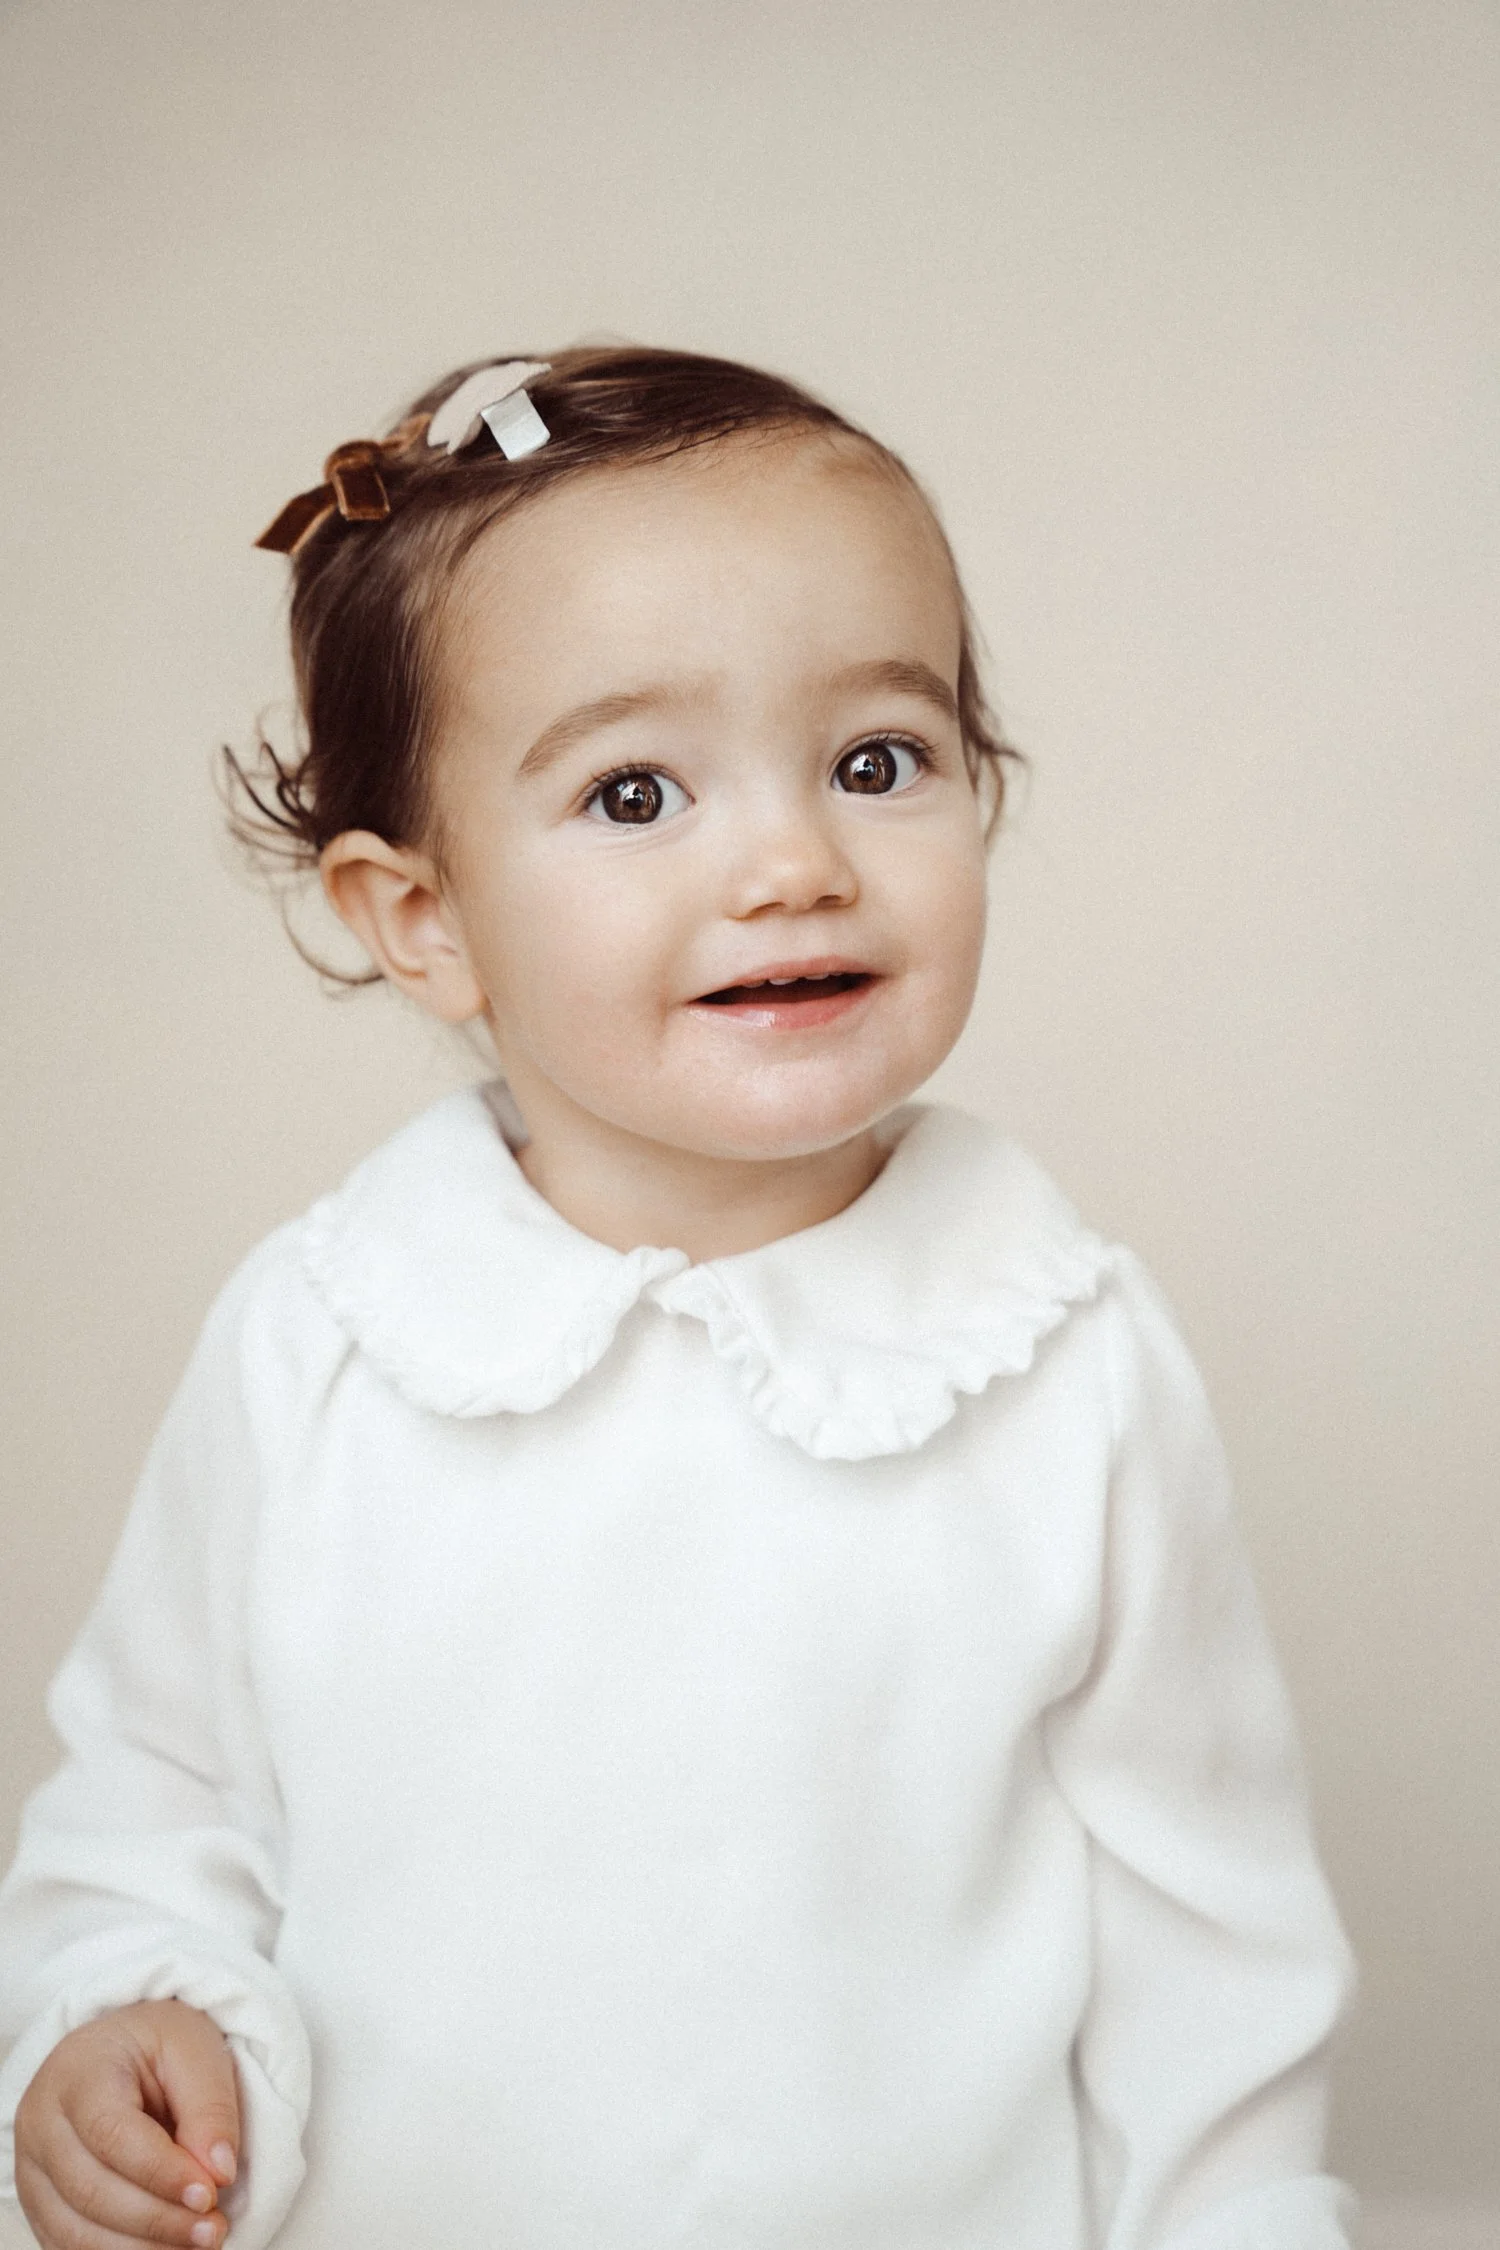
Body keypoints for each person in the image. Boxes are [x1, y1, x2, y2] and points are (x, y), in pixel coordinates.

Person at [0, 346, 1356, 2250]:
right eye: (636, 790)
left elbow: (1207, 1946)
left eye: (875, 761)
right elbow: (157, 1800)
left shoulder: (1061, 1358)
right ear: (425, 918)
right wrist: (127, 2016)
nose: (793, 862)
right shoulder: (326, 1340)